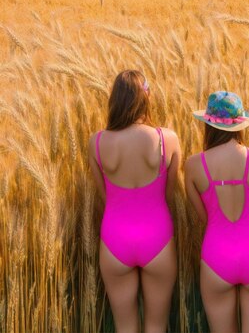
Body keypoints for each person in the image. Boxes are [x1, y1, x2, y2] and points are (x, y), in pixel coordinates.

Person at [88, 70, 181, 333]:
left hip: (115, 237)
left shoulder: (96, 143)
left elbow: (104, 194)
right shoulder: (168, 139)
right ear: (146, 98)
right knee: (156, 326)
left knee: (124, 327)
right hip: (158, 236)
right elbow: (170, 194)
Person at [184, 90, 249, 333]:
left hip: (217, 254)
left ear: (208, 125)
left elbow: (205, 217)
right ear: (240, 125)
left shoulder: (194, 165)